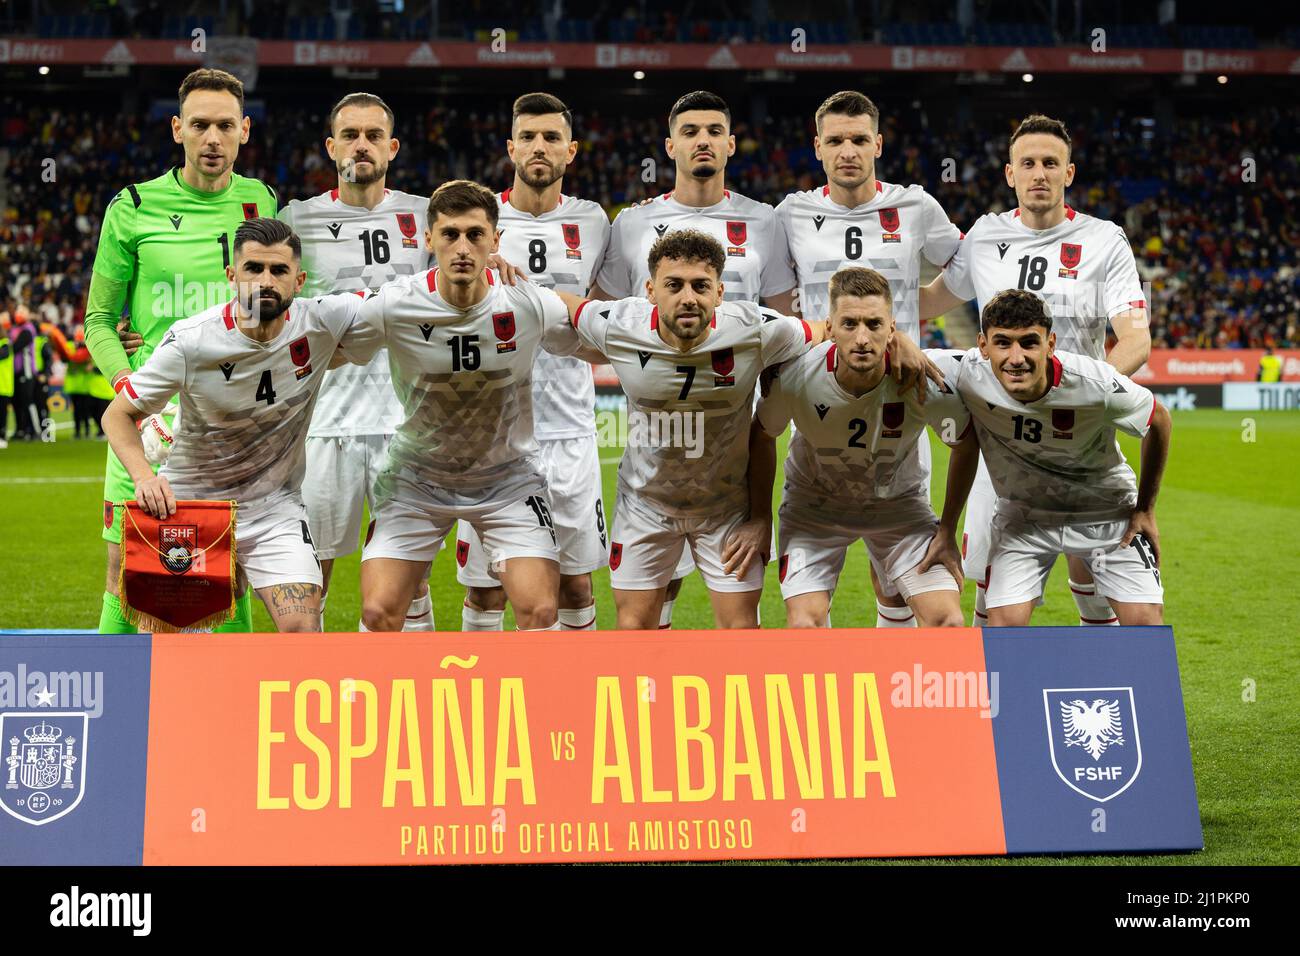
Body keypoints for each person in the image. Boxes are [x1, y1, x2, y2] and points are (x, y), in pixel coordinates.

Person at [921, 113, 1151, 626]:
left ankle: (1109, 690)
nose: (1040, 173)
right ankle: (992, 700)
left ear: (1069, 173)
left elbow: (1135, 337)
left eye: (1052, 163)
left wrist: (1090, 395)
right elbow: (925, 303)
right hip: (999, 441)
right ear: (1009, 173)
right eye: (1029, 163)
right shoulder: (984, 236)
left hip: (1080, 436)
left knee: (1096, 575)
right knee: (989, 585)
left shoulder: (1105, 239)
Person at [100, 217, 382, 632]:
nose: (265, 281)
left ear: (299, 279)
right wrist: (144, 478)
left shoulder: (322, 320)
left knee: (303, 627)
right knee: (171, 648)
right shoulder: (192, 340)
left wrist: (484, 267)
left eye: (279, 270)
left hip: (275, 510)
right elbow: (117, 414)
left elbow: (405, 298)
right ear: (232, 275)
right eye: (253, 269)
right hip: (192, 505)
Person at [587, 90, 800, 629]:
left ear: (730, 143)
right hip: (655, 445)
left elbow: (780, 325)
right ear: (670, 146)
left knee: (736, 621)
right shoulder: (632, 224)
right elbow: (613, 321)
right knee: (652, 606)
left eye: (712, 131)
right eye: (689, 131)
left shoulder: (765, 221)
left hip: (733, 433)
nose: (701, 140)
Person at [86, 67, 279, 634]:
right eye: (199, 125)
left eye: (225, 125)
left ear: (244, 130)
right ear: (177, 129)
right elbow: (98, 319)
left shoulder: (261, 200)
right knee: (127, 573)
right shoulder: (133, 205)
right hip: (149, 418)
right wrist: (132, 392)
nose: (212, 138)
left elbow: (275, 306)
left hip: (230, 420)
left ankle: (231, 716)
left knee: (229, 573)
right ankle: (114, 717)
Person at [355, 180, 593, 633]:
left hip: (508, 479)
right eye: (449, 235)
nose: (462, 247)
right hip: (417, 478)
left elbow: (599, 337)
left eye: (475, 235)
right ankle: (409, 698)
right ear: (429, 240)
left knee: (541, 610)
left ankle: (534, 703)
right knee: (379, 612)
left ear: (496, 241)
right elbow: (319, 336)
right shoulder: (394, 304)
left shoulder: (527, 302)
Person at [563, 229, 823, 630]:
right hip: (644, 507)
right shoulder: (620, 322)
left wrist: (759, 518)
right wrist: (496, 277)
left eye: (701, 286)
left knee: (741, 637)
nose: (688, 297)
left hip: (726, 510)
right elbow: (556, 305)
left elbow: (827, 330)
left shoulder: (756, 328)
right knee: (633, 633)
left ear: (720, 293)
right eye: (674, 285)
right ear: (651, 290)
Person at [775, 90, 963, 628]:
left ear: (878, 143)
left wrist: (906, 324)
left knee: (896, 580)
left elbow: (967, 272)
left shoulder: (916, 206)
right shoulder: (791, 213)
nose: (848, 151)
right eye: (835, 141)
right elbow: (768, 293)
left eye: (859, 139)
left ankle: (894, 684)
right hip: (822, 397)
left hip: (895, 395)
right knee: (815, 602)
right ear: (817, 147)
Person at [278, 91, 436, 631]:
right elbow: (267, 301)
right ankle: (310, 689)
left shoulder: (424, 215)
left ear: (391, 148)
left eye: (373, 136)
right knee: (311, 573)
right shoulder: (297, 218)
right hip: (323, 425)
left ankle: (413, 690)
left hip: (407, 425)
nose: (361, 145)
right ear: (331, 146)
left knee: (411, 580)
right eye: (350, 135)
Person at [456, 92, 612, 633]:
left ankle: (571, 707)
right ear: (511, 148)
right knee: (486, 587)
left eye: (550, 138)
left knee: (575, 584)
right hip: (491, 434)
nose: (538, 147)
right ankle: (484, 708)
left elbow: (606, 328)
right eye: (528, 137)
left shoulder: (593, 221)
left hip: (569, 429)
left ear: (571, 151)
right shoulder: (477, 224)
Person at [753, 267, 974, 628]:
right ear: (830, 327)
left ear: (892, 329)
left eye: (873, 324)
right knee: (803, 626)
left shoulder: (924, 380)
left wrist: (947, 529)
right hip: (815, 511)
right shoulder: (796, 378)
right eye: (850, 324)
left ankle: (905, 683)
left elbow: (964, 443)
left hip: (899, 508)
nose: (861, 338)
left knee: (947, 622)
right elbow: (762, 434)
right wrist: (760, 517)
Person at [941, 289, 1170, 626]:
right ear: (982, 345)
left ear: (1050, 343)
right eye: (1002, 343)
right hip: (1024, 518)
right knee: (1004, 626)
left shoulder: (1095, 382)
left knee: (1146, 625)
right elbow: (892, 353)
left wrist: (1146, 509)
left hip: (1106, 512)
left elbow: (1159, 419)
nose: (1016, 357)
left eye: (1029, 342)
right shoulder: (966, 372)